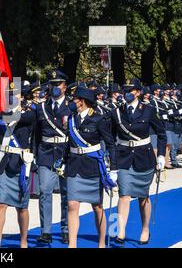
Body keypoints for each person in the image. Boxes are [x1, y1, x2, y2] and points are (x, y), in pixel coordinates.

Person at [111, 79, 167, 246]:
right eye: (125, 90)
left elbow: (162, 134)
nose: (127, 93)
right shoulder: (117, 112)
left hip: (144, 158)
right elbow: (111, 138)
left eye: (131, 90)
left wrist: (162, 156)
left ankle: (145, 228)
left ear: (138, 92)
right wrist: (111, 163)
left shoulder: (148, 111)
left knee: (143, 197)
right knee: (124, 194)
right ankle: (121, 231)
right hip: (124, 158)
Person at [63, 86, 116, 248]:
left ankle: (101, 243)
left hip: (92, 166)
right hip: (74, 166)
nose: (73, 101)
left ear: (82, 101)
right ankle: (72, 244)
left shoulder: (98, 119)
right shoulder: (71, 119)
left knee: (97, 207)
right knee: (72, 205)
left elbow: (110, 144)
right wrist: (63, 162)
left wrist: (114, 169)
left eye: (75, 99)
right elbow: (69, 143)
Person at [0, 90, 36, 248]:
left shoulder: (28, 114)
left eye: (16, 96)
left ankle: (23, 241)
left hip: (21, 165)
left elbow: (19, 119)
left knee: (22, 207)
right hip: (3, 164)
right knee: (0, 204)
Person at [34, 70, 70, 244]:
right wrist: (34, 155)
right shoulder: (41, 107)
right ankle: (46, 231)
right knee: (45, 192)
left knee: (67, 193)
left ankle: (66, 229)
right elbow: (36, 133)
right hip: (46, 153)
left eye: (58, 84)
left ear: (65, 86)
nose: (55, 87)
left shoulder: (71, 107)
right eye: (52, 84)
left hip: (66, 154)